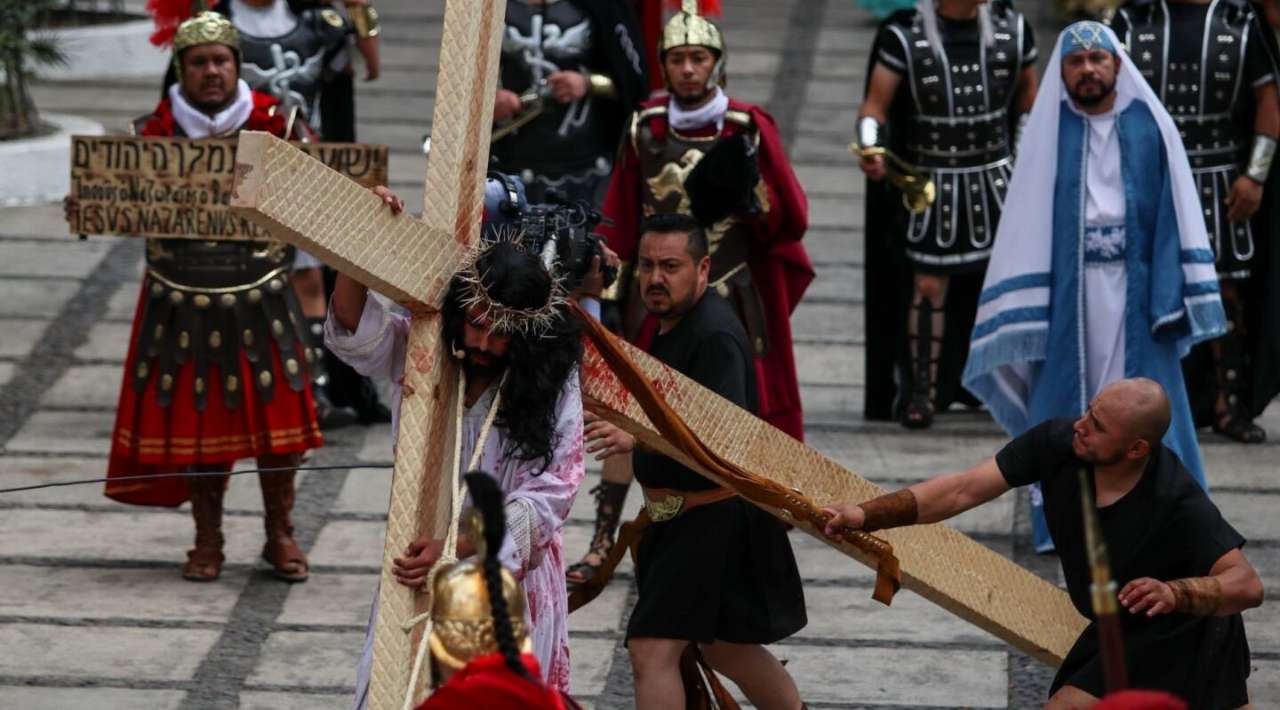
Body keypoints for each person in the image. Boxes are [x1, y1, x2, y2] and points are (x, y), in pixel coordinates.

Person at [822, 378, 1265, 708]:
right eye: (1089, 411)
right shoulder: (1058, 443)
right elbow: (963, 489)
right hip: (1121, 627)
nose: (1081, 425)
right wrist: (866, 515)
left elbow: (1247, 585)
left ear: (1135, 449)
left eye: (1098, 425)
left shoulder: (1175, 497)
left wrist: (1175, 592)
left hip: (1186, 632)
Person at [570, 0, 812, 588]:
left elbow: (790, 216)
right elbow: (622, 213)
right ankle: (605, 536)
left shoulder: (747, 128)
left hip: (733, 294)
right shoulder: (645, 123)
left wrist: (749, 197)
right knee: (635, 410)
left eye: (698, 57)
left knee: (743, 410)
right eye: (676, 58)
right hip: (654, 295)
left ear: (717, 62)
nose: (687, 69)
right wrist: (610, 279)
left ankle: (755, 516)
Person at [960, 21, 1228, 552]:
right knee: (1066, 408)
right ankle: (1065, 523)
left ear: (1117, 65)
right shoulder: (1049, 133)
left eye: (1097, 59)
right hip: (1070, 300)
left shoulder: (1149, 126)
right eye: (1076, 62)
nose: (1088, 69)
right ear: (1062, 72)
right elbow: (1027, 222)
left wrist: (1171, 292)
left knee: (1150, 405)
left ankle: (1167, 520)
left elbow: (1175, 213)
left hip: (1139, 295)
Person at [76, 11, 322, 583]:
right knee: (202, 428)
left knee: (278, 432)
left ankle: (280, 533)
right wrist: (87, 206)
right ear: (180, 70)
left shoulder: (277, 126)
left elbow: (319, 199)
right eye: (199, 63)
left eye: (221, 61)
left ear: (237, 65)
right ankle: (207, 539)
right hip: (181, 302)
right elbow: (113, 205)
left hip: (262, 295)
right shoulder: (149, 136)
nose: (211, 72)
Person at [328, 186, 585, 701]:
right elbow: (355, 331)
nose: (483, 345)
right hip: (417, 567)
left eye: (500, 335)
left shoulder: (553, 384)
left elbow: (554, 491)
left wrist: (457, 547)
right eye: (477, 325)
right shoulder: (424, 349)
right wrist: (364, 235)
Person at [582, 213, 807, 710]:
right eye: (646, 266)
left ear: (703, 269)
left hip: (709, 521)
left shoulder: (715, 337)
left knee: (651, 650)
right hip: (682, 520)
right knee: (725, 646)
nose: (655, 279)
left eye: (670, 266)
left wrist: (636, 436)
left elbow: (720, 441)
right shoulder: (671, 323)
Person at [857, 0, 1039, 429]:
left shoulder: (1013, 30)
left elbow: (1029, 102)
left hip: (998, 182)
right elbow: (874, 108)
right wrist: (871, 145)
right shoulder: (904, 38)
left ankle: (1009, 387)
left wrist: (1026, 155)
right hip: (934, 184)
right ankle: (921, 392)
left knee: (1008, 286)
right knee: (927, 285)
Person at [1111, 0, 1280, 444]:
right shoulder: (1134, 18)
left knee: (1226, 291)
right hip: (1149, 176)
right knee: (1141, 288)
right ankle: (1136, 407)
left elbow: (1269, 99)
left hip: (1220, 178)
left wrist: (1255, 175)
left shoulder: (1239, 19)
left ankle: (1230, 402)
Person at [212, 0, 370, 428]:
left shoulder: (319, 23)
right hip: (232, 172)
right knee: (238, 277)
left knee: (309, 277)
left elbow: (348, 93)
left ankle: (313, 388)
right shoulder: (215, 22)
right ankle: (234, 386)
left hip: (306, 169)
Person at [415, 473, 580, 710]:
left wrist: (459, 545)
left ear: (443, 644)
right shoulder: (557, 702)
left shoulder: (445, 705)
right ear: (521, 633)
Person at [492, 0, 648, 206]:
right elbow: (462, 77)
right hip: (507, 168)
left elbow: (633, 82)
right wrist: (489, 98)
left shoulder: (606, 5)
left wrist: (588, 83)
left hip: (589, 171)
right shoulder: (488, 7)